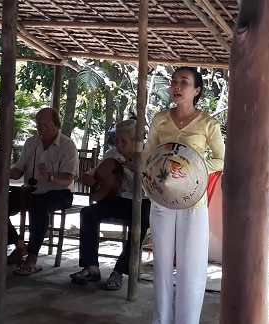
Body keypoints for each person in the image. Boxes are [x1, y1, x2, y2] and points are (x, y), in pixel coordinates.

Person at [145, 67, 224, 324]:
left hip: (194, 201)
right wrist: (151, 172)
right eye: (174, 82)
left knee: (192, 267)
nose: (177, 87)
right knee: (162, 265)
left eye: (184, 83)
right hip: (162, 198)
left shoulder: (207, 123)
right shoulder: (160, 119)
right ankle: (161, 320)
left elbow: (223, 159)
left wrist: (195, 170)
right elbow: (148, 155)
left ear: (197, 90)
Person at [0, 107, 78, 276]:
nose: (41, 130)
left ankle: (33, 257)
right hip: (30, 191)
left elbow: (68, 178)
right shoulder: (31, 143)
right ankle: (19, 246)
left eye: (46, 126)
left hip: (60, 192)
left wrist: (50, 176)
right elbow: (18, 170)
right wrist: (6, 172)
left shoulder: (68, 145)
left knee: (39, 206)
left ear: (57, 125)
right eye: (38, 125)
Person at [69, 119, 150, 290]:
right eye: (117, 140)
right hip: (117, 201)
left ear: (137, 140)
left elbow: (154, 187)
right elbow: (98, 171)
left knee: (140, 224)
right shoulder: (111, 154)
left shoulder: (148, 157)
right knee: (87, 213)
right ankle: (91, 267)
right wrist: (90, 176)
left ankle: (119, 271)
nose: (119, 145)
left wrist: (138, 172)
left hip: (142, 202)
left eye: (124, 141)